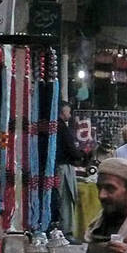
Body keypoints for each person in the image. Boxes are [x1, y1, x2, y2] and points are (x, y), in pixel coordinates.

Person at [55, 101, 86, 242]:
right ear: (63, 112)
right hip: (63, 166)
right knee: (66, 198)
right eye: (68, 111)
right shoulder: (61, 127)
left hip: (61, 165)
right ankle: (66, 231)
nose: (70, 114)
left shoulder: (57, 126)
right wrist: (82, 155)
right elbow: (71, 149)